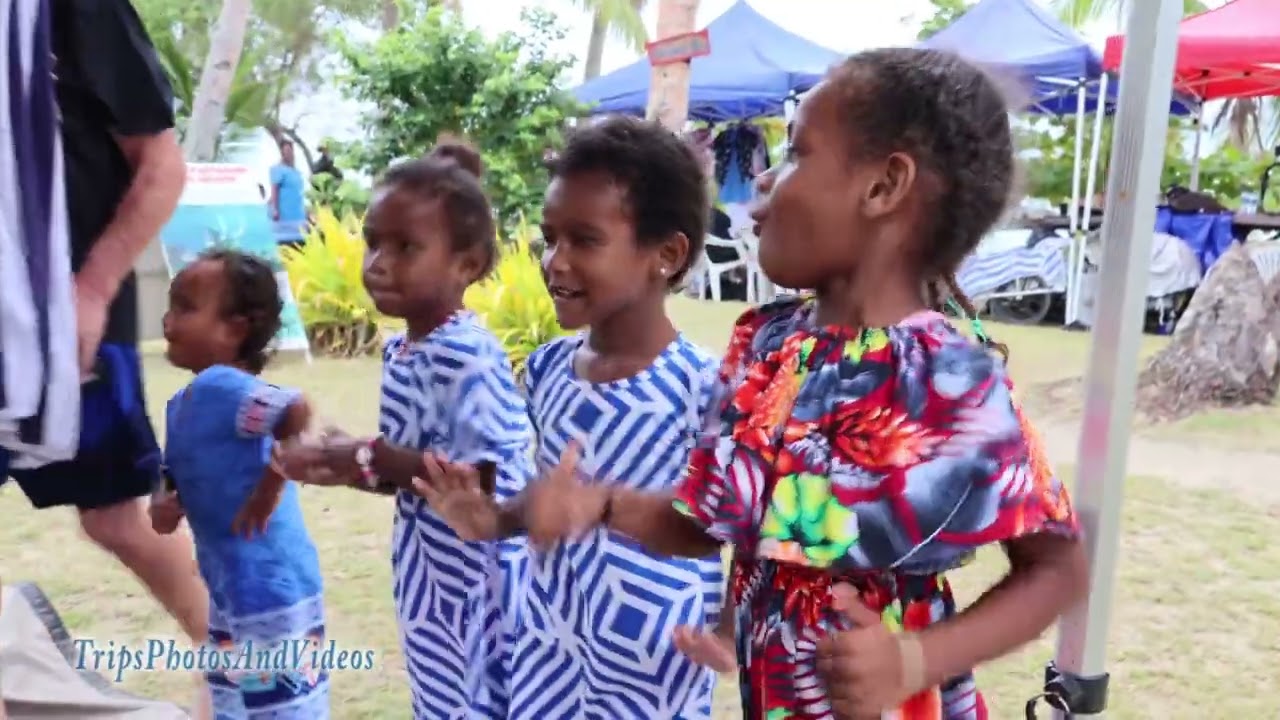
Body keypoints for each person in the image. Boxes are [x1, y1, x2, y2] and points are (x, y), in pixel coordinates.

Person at [427, 48, 1090, 719]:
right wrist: (598, 505)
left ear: (885, 187)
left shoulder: (950, 378)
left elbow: (1057, 568)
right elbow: (710, 522)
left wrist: (915, 660)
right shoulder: (768, 349)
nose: (765, 180)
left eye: (797, 155)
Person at [414, 116, 727, 718]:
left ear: (666, 253)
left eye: (583, 240)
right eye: (549, 238)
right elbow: (544, 508)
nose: (554, 262)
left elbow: (723, 527)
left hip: (654, 665)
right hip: (547, 658)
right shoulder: (547, 369)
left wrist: (730, 634)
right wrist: (492, 521)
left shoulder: (703, 385)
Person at [3, 0, 210, 715]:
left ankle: (254, 683)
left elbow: (162, 164)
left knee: (119, 517)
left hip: (65, 320)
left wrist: (92, 287)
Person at [280, 140, 534, 718]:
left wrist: (369, 454)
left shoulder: (467, 356)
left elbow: (488, 477)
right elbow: (408, 467)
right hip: (430, 573)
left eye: (405, 247)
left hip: (481, 584)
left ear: (466, 265)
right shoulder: (407, 349)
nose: (378, 262)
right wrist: (339, 465)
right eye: (373, 242)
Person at [151, 249, 328, 719]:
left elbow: (294, 409)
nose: (169, 321)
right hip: (232, 586)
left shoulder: (223, 387)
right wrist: (167, 503)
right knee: (236, 699)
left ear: (235, 329)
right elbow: (179, 475)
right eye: (171, 306)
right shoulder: (183, 403)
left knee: (281, 704)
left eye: (186, 308)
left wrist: (272, 482)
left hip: (270, 585)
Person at [269, 140, 308, 246]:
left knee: (301, 240)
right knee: (286, 241)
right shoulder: (277, 170)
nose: (289, 153)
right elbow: (274, 189)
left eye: (290, 150)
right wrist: (275, 209)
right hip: (284, 213)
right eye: (286, 150)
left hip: (297, 213)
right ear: (282, 152)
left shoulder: (295, 171)